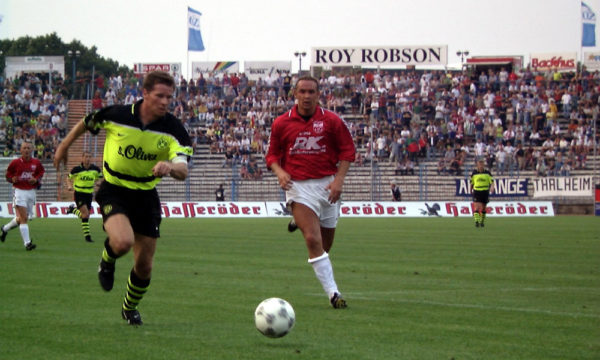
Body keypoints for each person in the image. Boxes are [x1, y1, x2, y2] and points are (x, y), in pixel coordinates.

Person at [53, 71, 193, 326]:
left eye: (169, 97)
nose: (165, 102)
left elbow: (183, 169)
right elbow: (87, 121)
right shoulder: (117, 115)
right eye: (160, 96)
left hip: (146, 196)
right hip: (114, 189)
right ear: (145, 94)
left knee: (145, 266)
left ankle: (129, 308)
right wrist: (64, 146)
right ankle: (107, 261)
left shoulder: (174, 130)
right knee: (123, 241)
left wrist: (170, 167)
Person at [265, 76, 356, 309]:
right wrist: (279, 172)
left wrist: (339, 179)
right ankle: (334, 294)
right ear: (294, 93)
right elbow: (272, 156)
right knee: (312, 240)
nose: (306, 96)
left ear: (318, 94)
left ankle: (298, 220)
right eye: (302, 91)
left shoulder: (332, 121)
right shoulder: (281, 123)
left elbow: (348, 151)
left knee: (324, 247)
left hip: (327, 187)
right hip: (298, 187)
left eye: (311, 92)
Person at [1, 142, 45, 250]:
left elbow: (41, 172)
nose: (26, 150)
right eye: (24, 148)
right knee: (24, 218)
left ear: (32, 150)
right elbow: (7, 175)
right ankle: (27, 244)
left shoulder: (36, 162)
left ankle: (5, 228)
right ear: (20, 150)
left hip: (31, 192)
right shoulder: (15, 162)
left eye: (28, 148)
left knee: (24, 218)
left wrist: (36, 179)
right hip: (19, 191)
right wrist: (12, 179)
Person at [66, 151, 103, 242]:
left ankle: (72, 210)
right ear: (82, 158)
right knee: (86, 214)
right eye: (86, 156)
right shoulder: (76, 169)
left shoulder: (95, 169)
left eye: (89, 156)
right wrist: (69, 186)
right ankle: (87, 237)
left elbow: (101, 177)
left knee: (85, 215)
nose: (88, 158)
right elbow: (68, 178)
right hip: (79, 194)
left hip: (89, 194)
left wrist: (98, 182)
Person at [470, 159, 494, 228]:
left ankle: (482, 221)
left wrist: (492, 187)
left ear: (483, 165)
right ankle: (477, 222)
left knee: (483, 208)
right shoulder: (474, 173)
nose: (480, 165)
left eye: (482, 164)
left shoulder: (487, 173)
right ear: (477, 165)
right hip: (477, 191)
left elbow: (492, 182)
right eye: (479, 164)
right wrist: (470, 190)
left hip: (485, 191)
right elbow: (472, 183)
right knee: (476, 207)